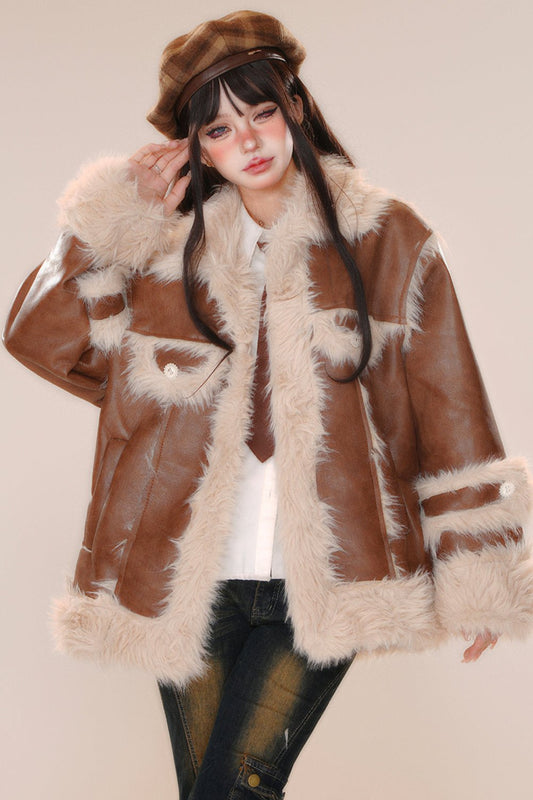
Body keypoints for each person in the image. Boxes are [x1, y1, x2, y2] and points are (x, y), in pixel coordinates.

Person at [4, 9, 533, 799]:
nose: (247, 141)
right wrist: (112, 218)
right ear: (197, 147)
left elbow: (448, 402)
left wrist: (477, 570)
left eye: (260, 113)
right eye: (218, 129)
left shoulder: (386, 238)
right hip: (188, 575)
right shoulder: (163, 248)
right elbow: (37, 339)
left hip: (325, 571)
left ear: (296, 108)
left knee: (234, 786)